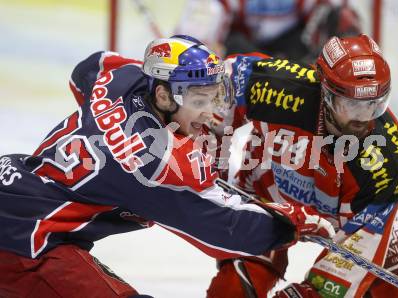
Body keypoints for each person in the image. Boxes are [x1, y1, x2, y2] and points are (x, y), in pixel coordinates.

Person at [0, 35, 336, 297]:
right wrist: (292, 224)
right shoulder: (155, 163)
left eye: (212, 94)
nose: (210, 111)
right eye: (198, 99)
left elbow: (85, 71)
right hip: (27, 242)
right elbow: (228, 230)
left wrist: (109, 122)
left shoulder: (122, 78)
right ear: (162, 97)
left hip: (15, 192)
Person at [206, 34, 398, 297]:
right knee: (231, 289)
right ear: (325, 90)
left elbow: (338, 280)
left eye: (375, 105)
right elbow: (224, 81)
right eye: (351, 105)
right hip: (267, 199)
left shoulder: (387, 163)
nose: (364, 119)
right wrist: (210, 149)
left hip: (353, 219)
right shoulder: (281, 88)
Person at [174, 0, 361, 62]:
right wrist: (195, 50)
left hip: (294, 55)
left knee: (339, 17)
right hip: (242, 58)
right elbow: (200, 20)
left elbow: (337, 15)